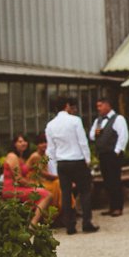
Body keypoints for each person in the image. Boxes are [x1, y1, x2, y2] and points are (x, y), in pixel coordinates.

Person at [45, 97, 98, 235]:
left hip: (62, 162)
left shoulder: (50, 125)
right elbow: (82, 142)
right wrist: (87, 159)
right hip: (77, 160)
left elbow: (50, 149)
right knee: (85, 191)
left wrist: (54, 166)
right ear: (67, 106)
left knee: (66, 194)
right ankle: (86, 222)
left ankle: (70, 225)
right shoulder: (75, 121)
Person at [89, 97, 129, 217]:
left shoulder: (118, 119)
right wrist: (95, 133)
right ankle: (111, 206)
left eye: (100, 106)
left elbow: (123, 135)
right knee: (107, 181)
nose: (98, 109)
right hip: (103, 154)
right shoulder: (98, 120)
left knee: (115, 180)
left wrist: (117, 151)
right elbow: (91, 136)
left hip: (113, 154)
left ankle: (118, 207)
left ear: (107, 105)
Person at [1, 134, 51, 227]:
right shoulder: (12, 156)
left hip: (19, 188)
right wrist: (33, 185)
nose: (23, 143)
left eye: (25, 141)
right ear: (14, 144)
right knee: (47, 195)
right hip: (12, 189)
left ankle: (45, 221)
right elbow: (18, 178)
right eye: (20, 142)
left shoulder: (21, 158)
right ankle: (33, 224)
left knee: (46, 190)